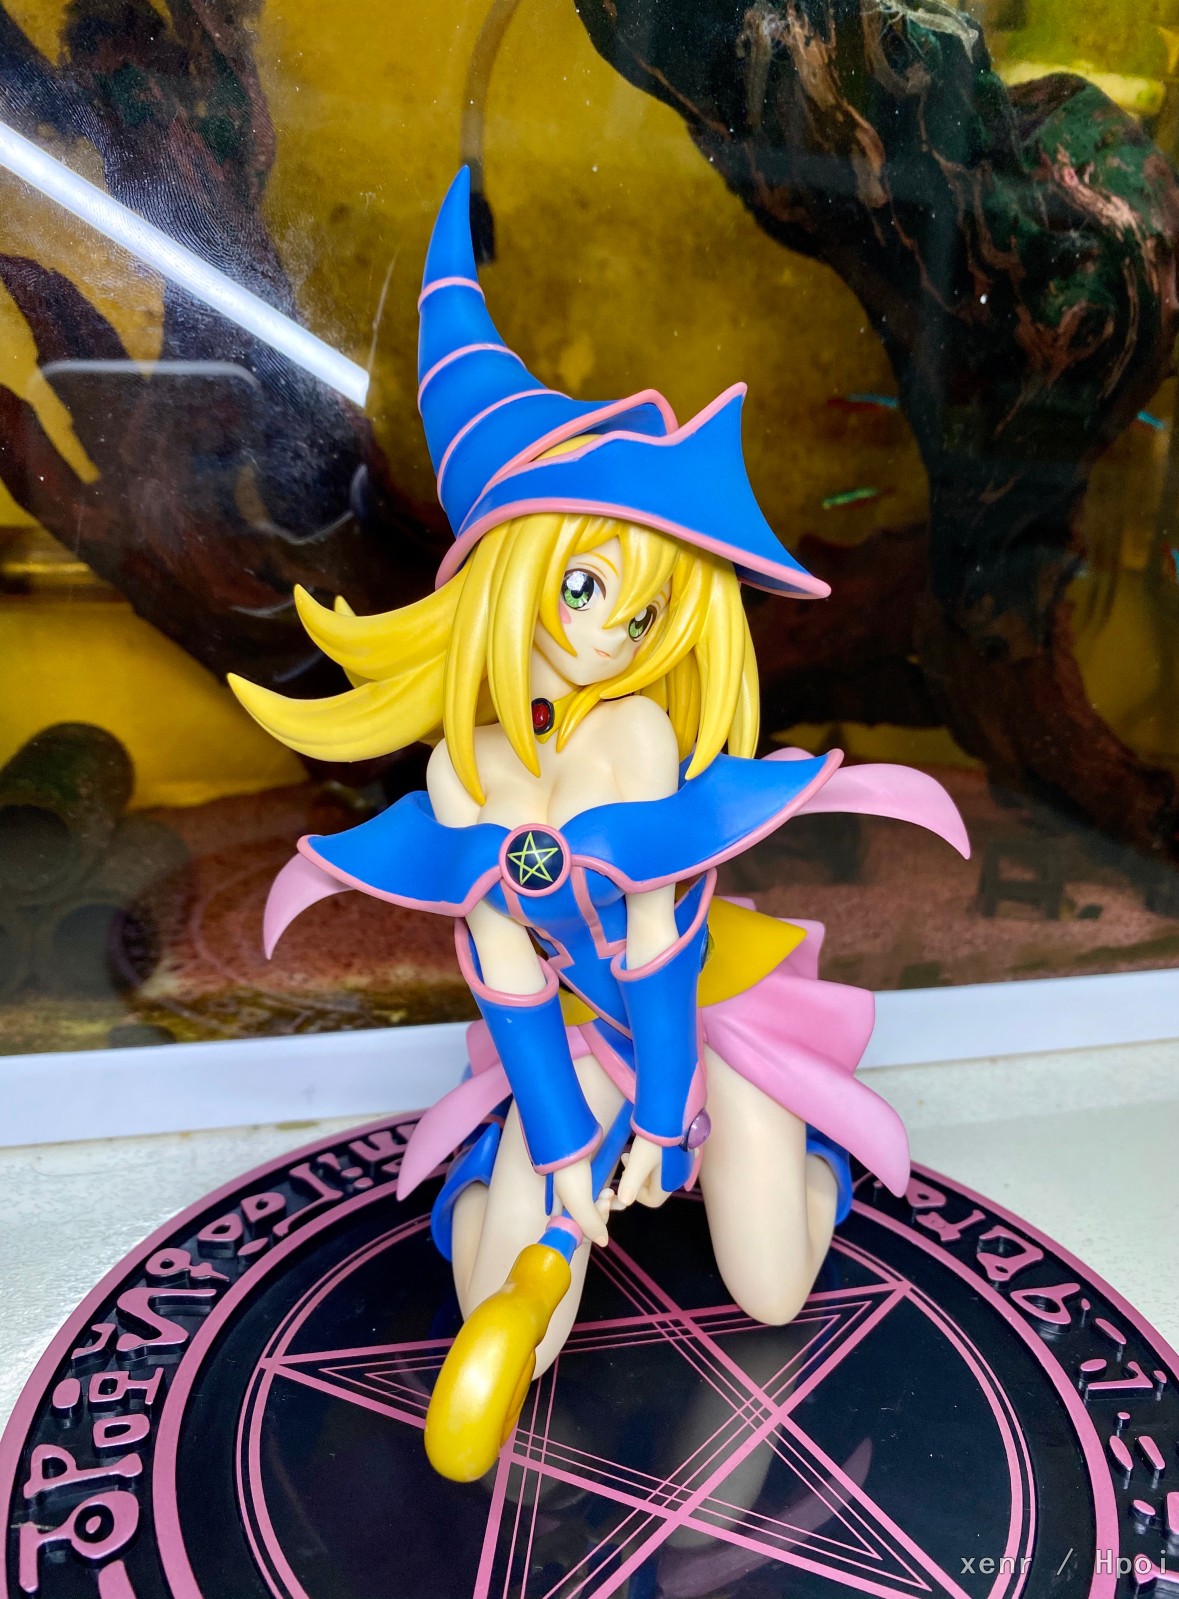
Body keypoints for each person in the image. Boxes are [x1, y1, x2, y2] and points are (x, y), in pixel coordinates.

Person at [230, 168, 969, 1475]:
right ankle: (496, 1192)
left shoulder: (632, 735)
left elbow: (662, 936)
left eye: (644, 610)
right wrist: (568, 1151)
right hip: (571, 1028)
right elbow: (505, 966)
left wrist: (671, 1116)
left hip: (704, 1014)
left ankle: (793, 1154)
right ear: (507, 577)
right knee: (521, 1318)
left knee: (773, 1289)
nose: (614, 636)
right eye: (584, 588)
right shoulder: (463, 776)